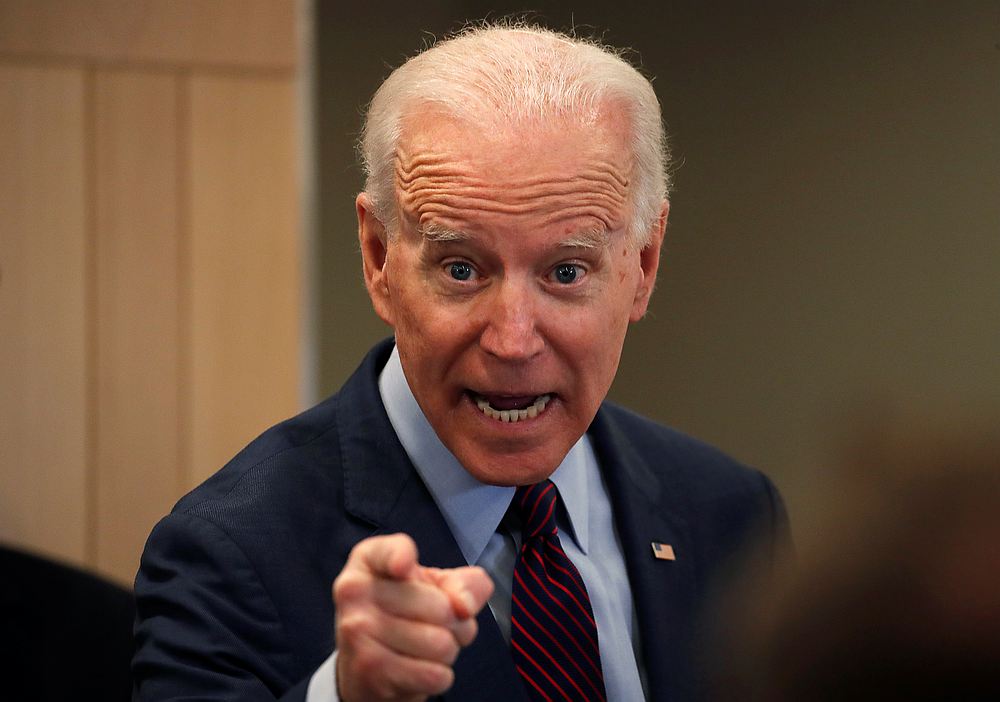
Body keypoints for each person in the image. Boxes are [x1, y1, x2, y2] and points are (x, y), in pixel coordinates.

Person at [133, 23, 788, 702]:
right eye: (461, 268)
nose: (512, 340)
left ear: (643, 265)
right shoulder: (228, 553)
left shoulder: (732, 515)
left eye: (566, 271)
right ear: (378, 256)